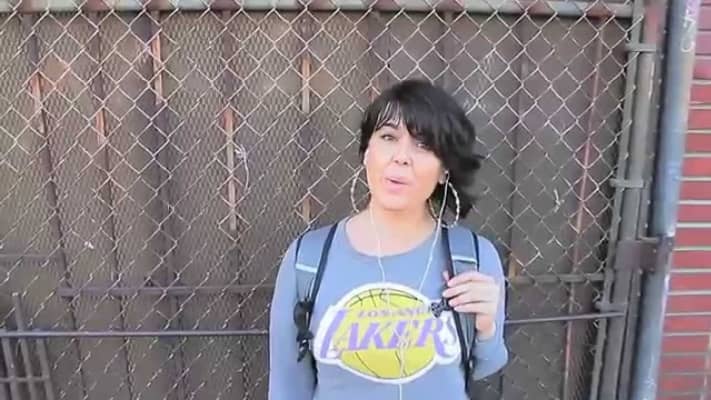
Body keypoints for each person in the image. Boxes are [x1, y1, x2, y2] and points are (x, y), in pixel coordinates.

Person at [268, 78, 508, 400]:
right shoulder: (308, 261)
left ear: (444, 170)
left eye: (424, 145)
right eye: (388, 137)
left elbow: (487, 365)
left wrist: (486, 326)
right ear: (367, 153)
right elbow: (287, 386)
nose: (401, 156)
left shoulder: (473, 258)